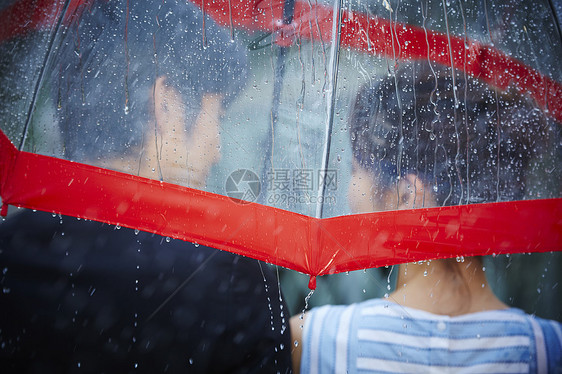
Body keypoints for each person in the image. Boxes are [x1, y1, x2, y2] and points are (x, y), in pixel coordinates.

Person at [0, 1, 292, 373]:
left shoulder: (10, 255)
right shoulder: (229, 278)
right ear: (166, 104)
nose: (217, 151)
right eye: (215, 117)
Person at [290, 63, 562, 373]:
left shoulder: (312, 344)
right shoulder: (549, 349)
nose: (350, 193)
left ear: (409, 194)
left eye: (355, 171)